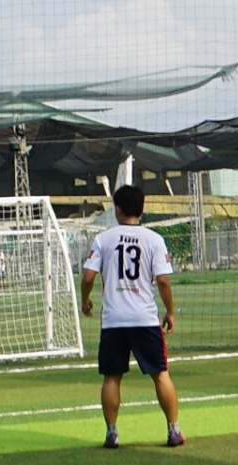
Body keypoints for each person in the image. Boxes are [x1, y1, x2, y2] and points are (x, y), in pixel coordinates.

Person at [81, 185, 183, 448]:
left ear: (117, 209)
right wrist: (170, 311)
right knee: (160, 373)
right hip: (145, 318)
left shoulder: (104, 239)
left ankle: (112, 433)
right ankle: (173, 430)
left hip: (114, 320)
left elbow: (88, 277)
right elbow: (162, 281)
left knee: (112, 377)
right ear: (141, 209)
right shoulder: (154, 239)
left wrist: (86, 300)